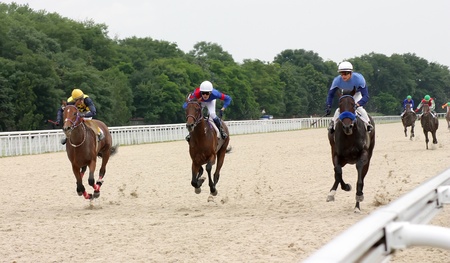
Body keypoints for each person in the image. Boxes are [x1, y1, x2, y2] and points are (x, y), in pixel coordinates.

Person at [325, 61, 373, 133]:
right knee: (339, 110)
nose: (343, 76)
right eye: (341, 74)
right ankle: (332, 124)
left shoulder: (359, 79)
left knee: (360, 109)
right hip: (345, 94)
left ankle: (368, 124)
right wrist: (329, 106)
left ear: (350, 73)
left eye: (345, 74)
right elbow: (330, 95)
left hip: (356, 94)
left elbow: (366, 96)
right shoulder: (336, 81)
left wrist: (358, 104)